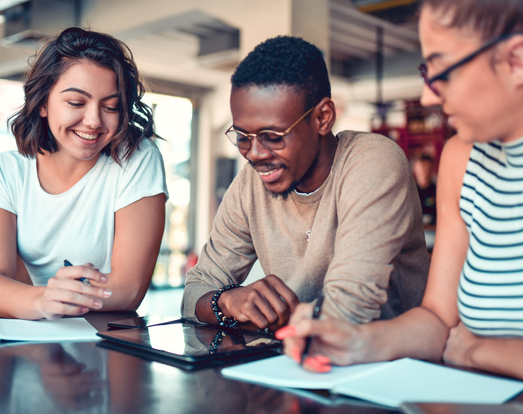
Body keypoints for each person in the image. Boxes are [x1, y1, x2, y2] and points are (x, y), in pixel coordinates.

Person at [277, 0, 523, 401]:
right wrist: (356, 341)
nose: (428, 95)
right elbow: (438, 321)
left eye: (440, 70)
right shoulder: (462, 159)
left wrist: (482, 352)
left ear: (518, 60)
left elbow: (465, 345)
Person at [181, 36, 429, 341]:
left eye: (273, 135)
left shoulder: (372, 161)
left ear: (322, 118)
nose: (254, 153)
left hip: (385, 367)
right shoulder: (250, 184)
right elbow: (194, 293)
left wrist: (272, 319)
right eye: (243, 135)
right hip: (296, 359)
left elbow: (349, 309)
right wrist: (228, 302)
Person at [0, 27, 168, 320]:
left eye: (111, 106)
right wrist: (43, 301)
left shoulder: (137, 159)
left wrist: (19, 298)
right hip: (23, 331)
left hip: (98, 336)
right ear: (41, 103)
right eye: (76, 103)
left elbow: (128, 289)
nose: (94, 121)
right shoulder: (1, 171)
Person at [411, 154, 437, 226]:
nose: (425, 172)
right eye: (422, 168)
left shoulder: (437, 191)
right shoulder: (410, 192)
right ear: (415, 169)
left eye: (428, 168)